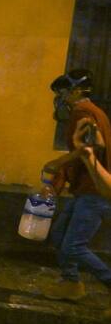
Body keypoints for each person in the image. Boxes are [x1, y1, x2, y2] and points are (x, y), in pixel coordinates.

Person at [41, 69, 111, 308]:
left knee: (74, 246)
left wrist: (58, 163)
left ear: (78, 91)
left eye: (64, 92)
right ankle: (70, 283)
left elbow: (92, 146)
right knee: (60, 235)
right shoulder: (92, 112)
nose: (62, 97)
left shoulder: (84, 112)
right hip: (84, 189)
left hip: (93, 190)